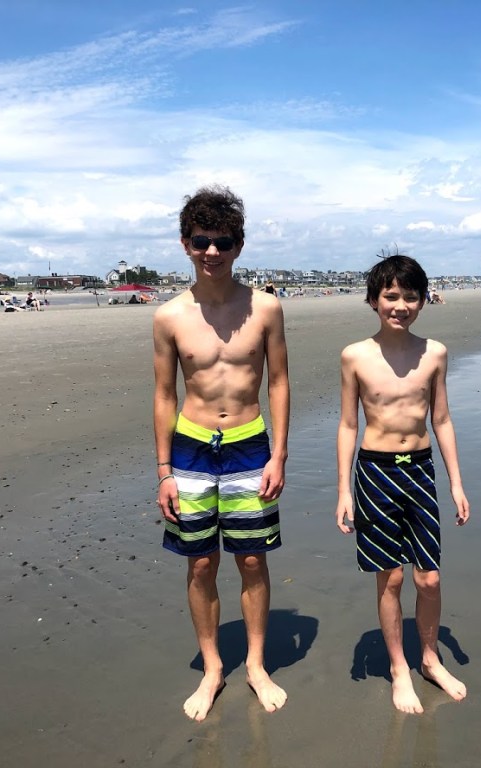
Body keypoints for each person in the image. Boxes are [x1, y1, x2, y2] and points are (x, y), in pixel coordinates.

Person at [153, 185, 290, 722]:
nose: (212, 251)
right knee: (201, 562)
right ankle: (212, 668)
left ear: (239, 245)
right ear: (185, 244)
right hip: (190, 449)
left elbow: (278, 382)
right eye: (201, 240)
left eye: (223, 241)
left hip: (249, 445)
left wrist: (279, 454)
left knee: (252, 558)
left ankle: (255, 664)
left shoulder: (266, 308)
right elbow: (165, 395)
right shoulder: (169, 317)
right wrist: (164, 471)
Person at [336, 254, 471, 714]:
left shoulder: (435, 353)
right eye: (390, 296)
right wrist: (344, 490)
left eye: (410, 297)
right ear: (373, 300)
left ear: (423, 301)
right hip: (375, 472)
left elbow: (442, 419)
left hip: (419, 470)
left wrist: (456, 483)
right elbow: (348, 425)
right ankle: (399, 668)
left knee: (428, 578)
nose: (400, 305)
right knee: (390, 577)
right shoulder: (355, 356)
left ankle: (430, 659)